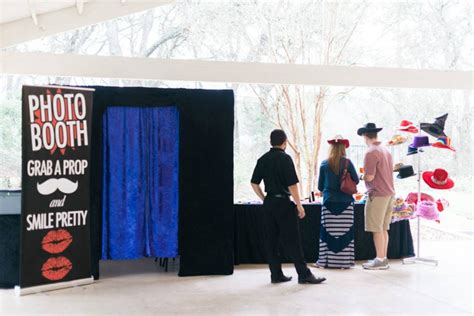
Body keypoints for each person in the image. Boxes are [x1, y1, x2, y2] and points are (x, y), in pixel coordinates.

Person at [251, 129, 326, 284]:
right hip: (284, 203)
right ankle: (304, 274)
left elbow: (254, 183)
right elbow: (292, 185)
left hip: (269, 203)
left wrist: (264, 198)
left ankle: (276, 275)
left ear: (270, 142)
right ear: (284, 142)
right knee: (293, 240)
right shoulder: (285, 159)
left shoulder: (262, 159)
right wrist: (299, 205)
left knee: (271, 240)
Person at [316, 135, 359, 269]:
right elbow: (356, 180)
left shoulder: (324, 163)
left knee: (327, 233)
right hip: (346, 203)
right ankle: (345, 262)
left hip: (329, 202)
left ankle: (324, 262)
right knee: (345, 233)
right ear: (343, 148)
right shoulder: (348, 162)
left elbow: (320, 187)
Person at [357, 123, 395, 270]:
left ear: (365, 136)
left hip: (377, 194)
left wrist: (360, 176)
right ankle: (383, 258)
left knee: (376, 229)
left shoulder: (370, 152)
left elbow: (370, 177)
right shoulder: (385, 150)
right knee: (384, 228)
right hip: (389, 193)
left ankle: (379, 260)